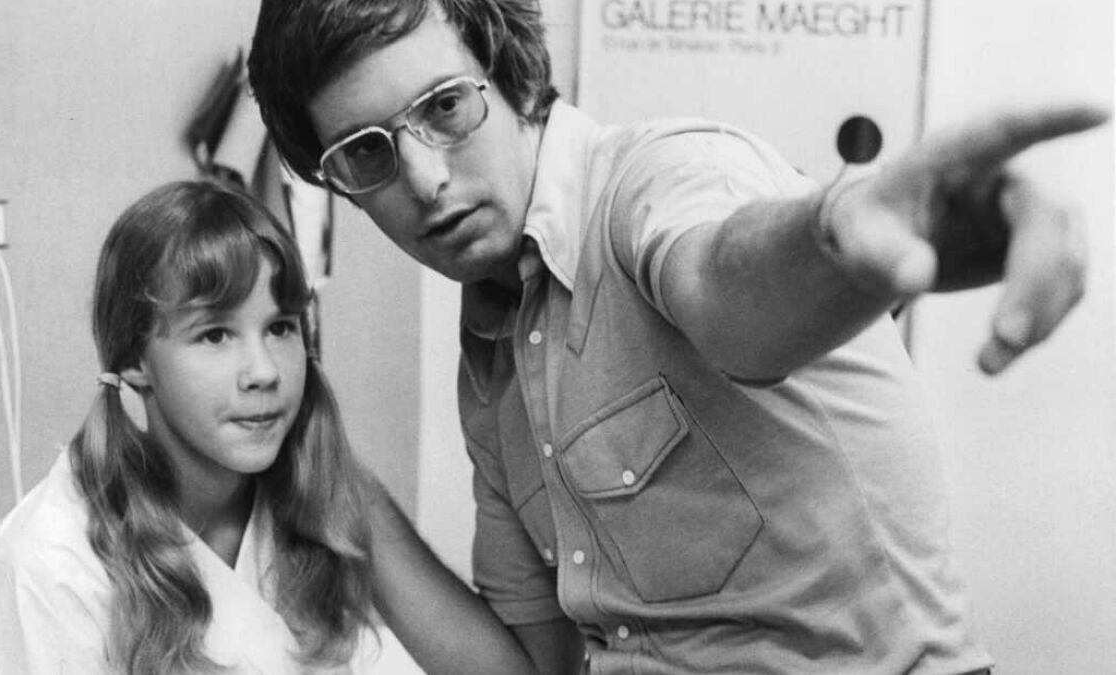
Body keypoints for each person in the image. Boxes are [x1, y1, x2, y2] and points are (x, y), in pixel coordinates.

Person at [246, 1, 1110, 673]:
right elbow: (534, 667)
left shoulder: (659, 180)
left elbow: (728, 290)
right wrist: (335, 477)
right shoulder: (492, 361)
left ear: (509, 75)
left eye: (444, 106)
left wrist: (839, 232)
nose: (426, 178)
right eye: (366, 154)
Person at [0, 180, 535, 674]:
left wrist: (352, 493)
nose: (263, 371)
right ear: (134, 360)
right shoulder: (55, 563)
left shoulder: (311, 500)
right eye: (215, 335)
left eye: (281, 327)